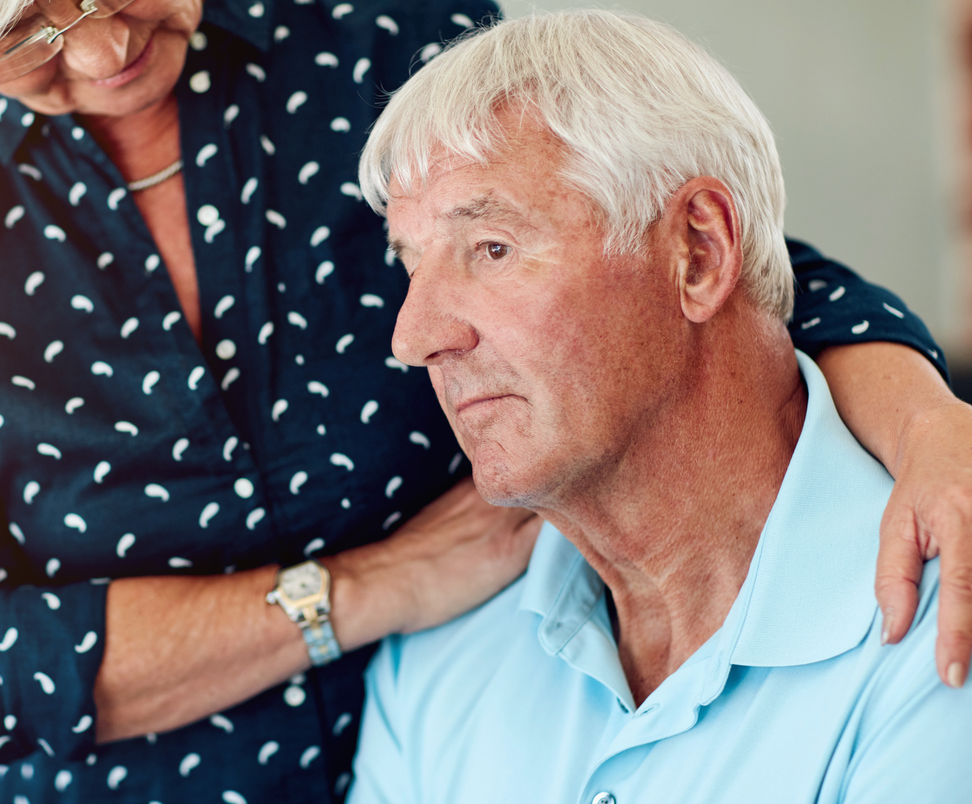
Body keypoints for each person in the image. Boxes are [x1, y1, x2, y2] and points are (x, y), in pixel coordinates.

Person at [0, 0, 972, 801]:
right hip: (422, 713)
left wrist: (932, 423)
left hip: (527, 717)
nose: (109, 42)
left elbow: (685, 244)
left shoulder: (370, 41)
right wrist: (372, 589)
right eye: (25, 33)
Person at [349, 11, 972, 803]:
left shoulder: (939, 624)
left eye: (491, 249)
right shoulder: (436, 661)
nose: (414, 336)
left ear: (698, 253)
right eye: (411, 265)